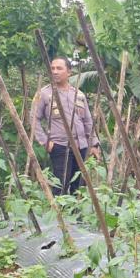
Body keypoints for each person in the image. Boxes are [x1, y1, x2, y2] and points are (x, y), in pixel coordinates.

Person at [31, 57, 100, 195]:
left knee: (80, 184)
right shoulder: (44, 94)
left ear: (69, 72)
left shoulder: (78, 94)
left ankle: (77, 214)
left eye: (59, 68)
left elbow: (87, 121)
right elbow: (33, 119)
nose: (55, 72)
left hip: (82, 146)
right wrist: (45, 142)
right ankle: (60, 214)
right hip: (60, 146)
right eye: (52, 68)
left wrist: (94, 144)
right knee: (61, 183)